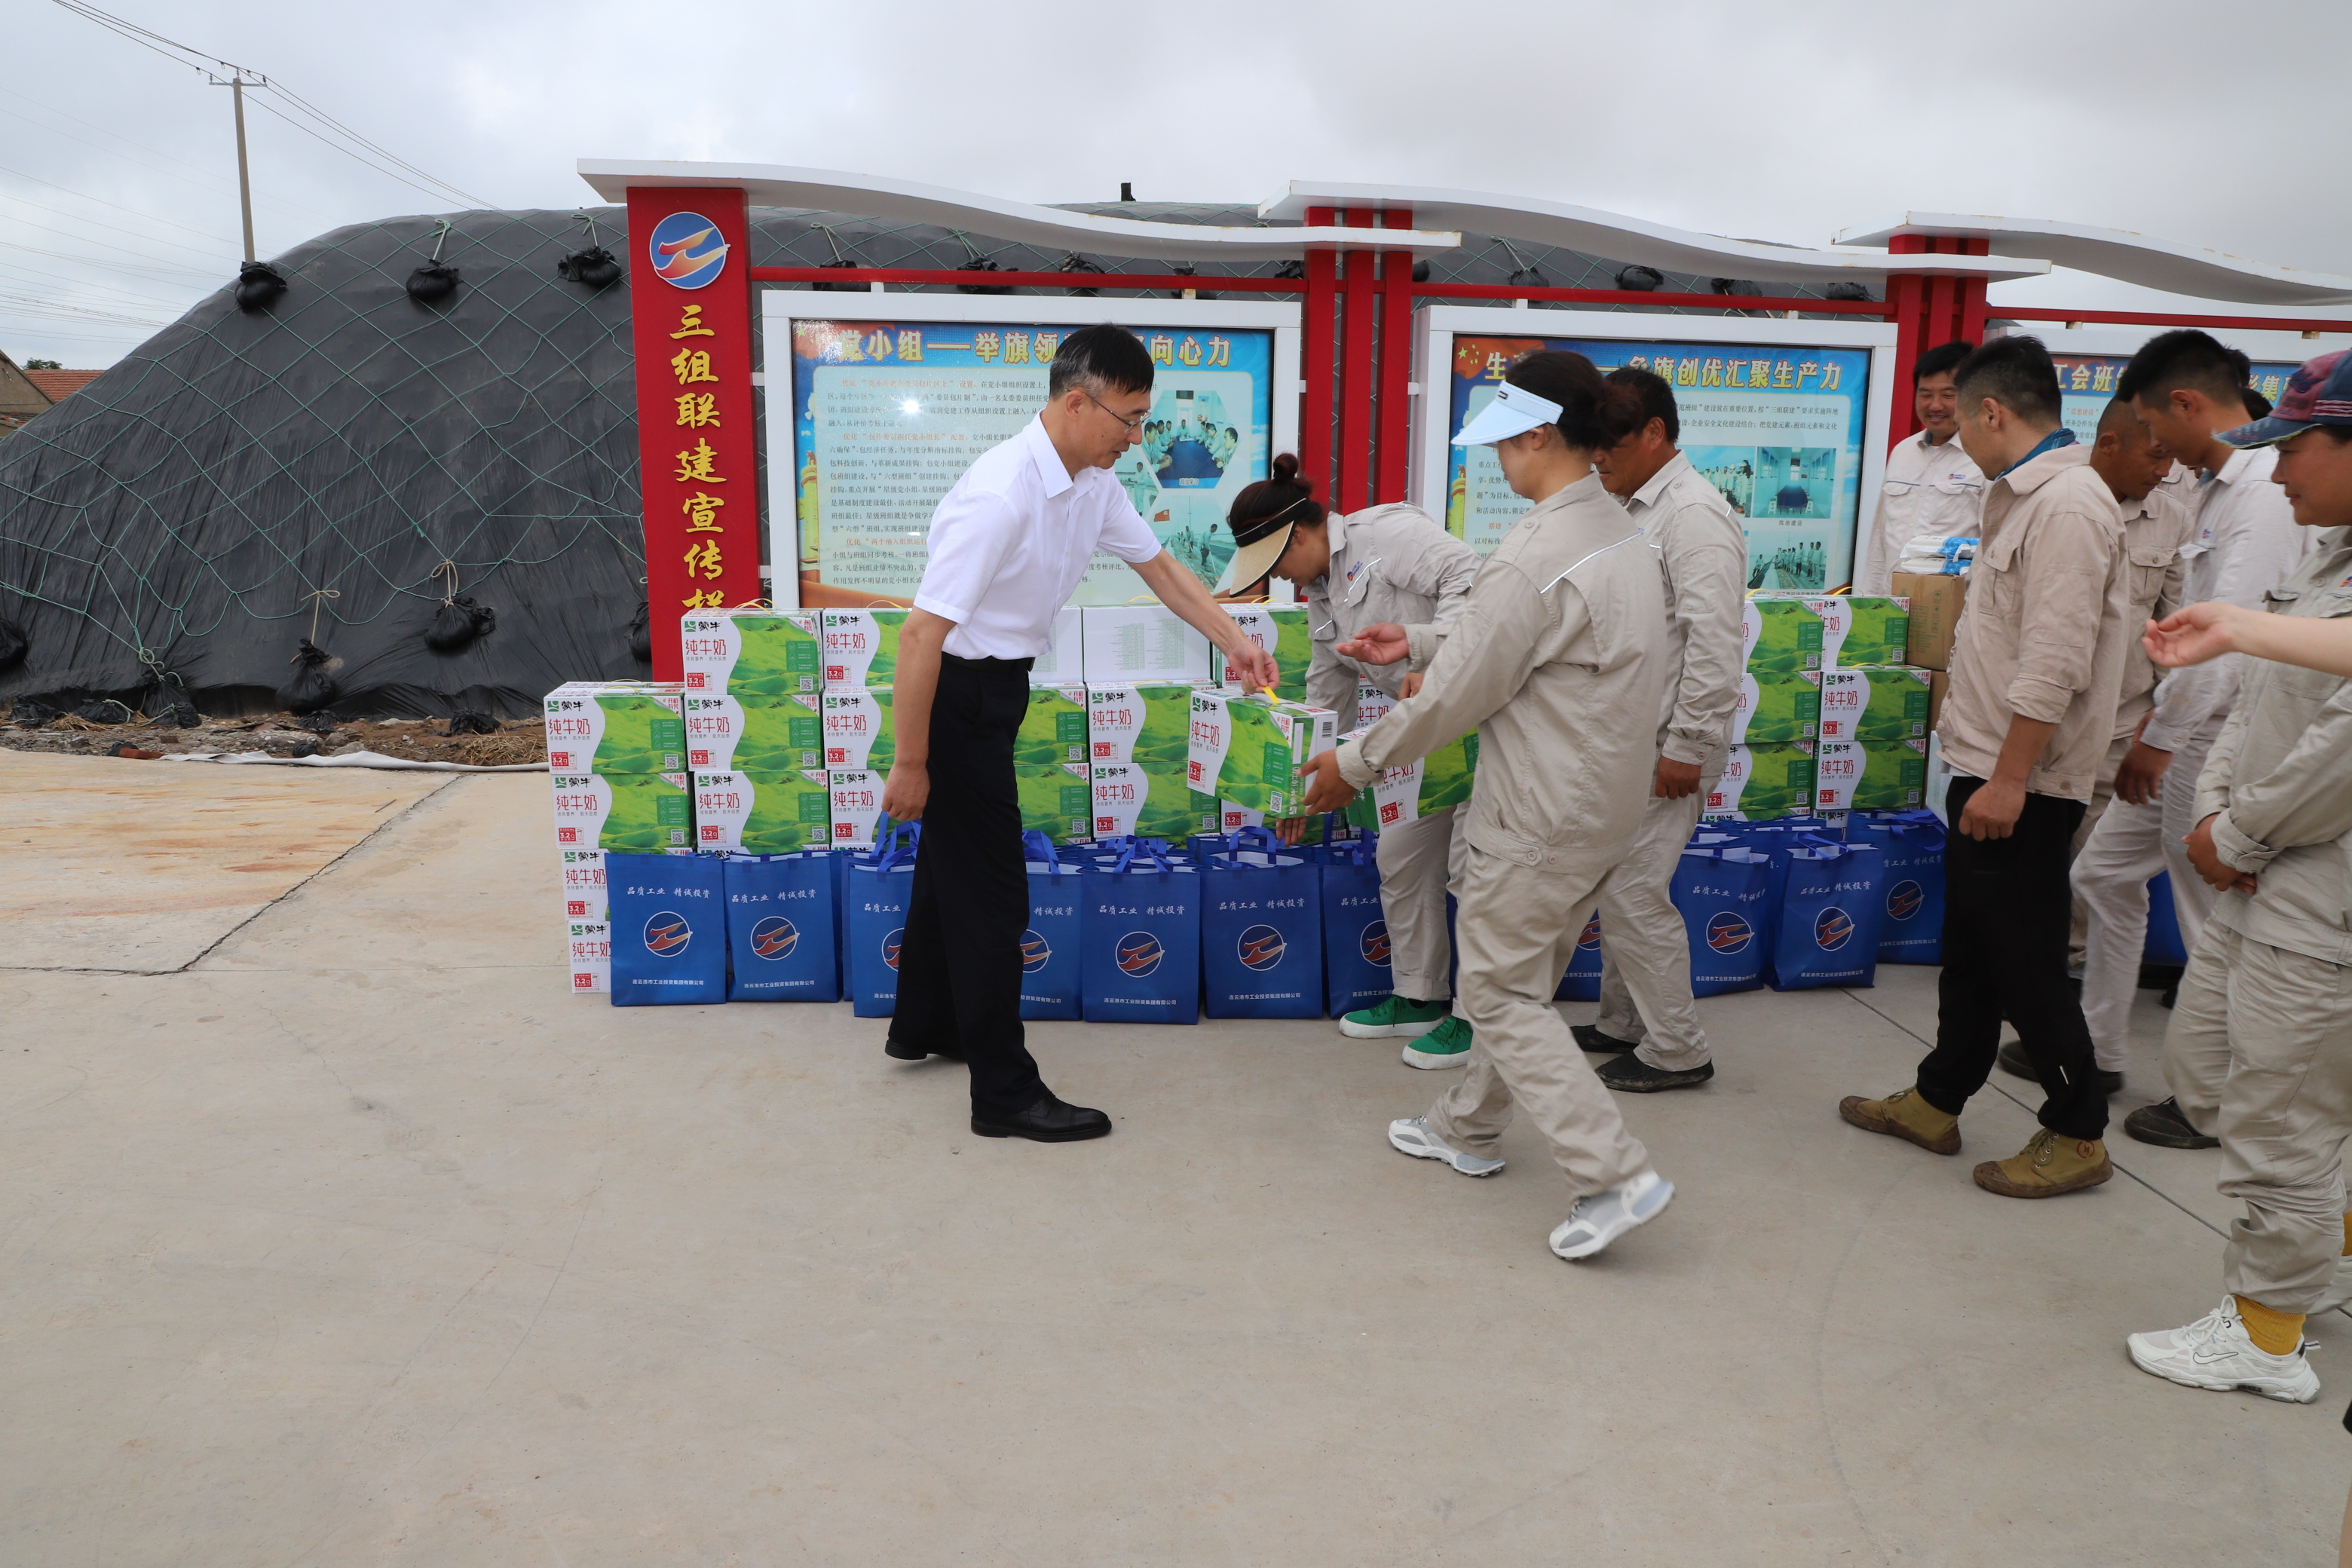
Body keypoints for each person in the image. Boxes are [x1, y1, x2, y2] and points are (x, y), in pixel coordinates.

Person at [1295, 351, 1679, 1263]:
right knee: (1523, 980)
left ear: (1538, 435)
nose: (1497, 461)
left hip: (1540, 806)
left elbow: (1458, 695)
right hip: (1602, 801)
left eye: (1502, 444)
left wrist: (1353, 761)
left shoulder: (1536, 551)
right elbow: (1525, 642)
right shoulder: (1618, 533)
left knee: (1500, 991)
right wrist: (1419, 636)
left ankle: (1613, 1173)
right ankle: (1465, 1125)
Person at [879, 324, 1276, 1141]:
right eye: (1129, 419)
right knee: (995, 897)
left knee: (952, 871)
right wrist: (911, 762)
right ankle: (1003, 1093)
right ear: (1074, 402)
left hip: (1000, 690)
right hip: (955, 697)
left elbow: (1162, 569)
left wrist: (1236, 641)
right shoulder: (1001, 495)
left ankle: (928, 1023)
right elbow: (920, 636)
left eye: (1144, 420)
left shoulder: (1092, 482)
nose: (1137, 438)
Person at [1838, 335, 2132, 1198]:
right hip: (1986, 762)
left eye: (1962, 418)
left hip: (2024, 779)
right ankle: (1939, 1098)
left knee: (2025, 959)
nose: (1956, 436)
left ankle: (2078, 1130)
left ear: (1992, 412)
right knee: (1970, 949)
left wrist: (2008, 781)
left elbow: (2054, 662)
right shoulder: (2021, 495)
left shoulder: (2067, 506)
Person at [2122, 347, 2352, 1405]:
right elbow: (2257, 698)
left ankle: (2267, 1336)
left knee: (2284, 1120)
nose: (2281, 468)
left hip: (2316, 896)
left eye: (2298, 448)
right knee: (2217, 1071)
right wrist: (2216, 815)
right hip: (2266, 874)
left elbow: (2338, 757)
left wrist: (2242, 836)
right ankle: (2324, 1251)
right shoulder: (2326, 558)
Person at [2096, 333, 2314, 1151]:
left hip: (2215, 735)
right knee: (2102, 872)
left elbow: (2229, 642)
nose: (2154, 447)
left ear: (2186, 403)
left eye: (2155, 426)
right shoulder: (2215, 488)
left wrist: (2161, 738)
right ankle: (2098, 1047)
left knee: (2208, 915)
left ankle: (2208, 1098)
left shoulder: (2262, 493)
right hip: (2183, 725)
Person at [1220, 455, 1484, 1067]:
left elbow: (1474, 579)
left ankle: (1479, 1020)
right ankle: (1419, 995)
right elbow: (1328, 689)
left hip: (1483, 718)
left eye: (1276, 563)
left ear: (1300, 536)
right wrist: (1300, 790)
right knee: (1401, 855)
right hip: (1421, 735)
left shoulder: (1387, 534)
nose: (1279, 578)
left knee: (1475, 871)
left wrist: (1434, 659)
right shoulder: (1320, 591)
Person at [1994, 397, 2190, 1093]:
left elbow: (2182, 625)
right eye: (2155, 454)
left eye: (2173, 455)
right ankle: (2064, 1029)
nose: (2165, 470)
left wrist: (2162, 724)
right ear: (2109, 443)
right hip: (2040, 727)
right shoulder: (2055, 499)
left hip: (2124, 729)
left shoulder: (2173, 513)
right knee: (2054, 879)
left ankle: (2076, 1038)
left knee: (2091, 881)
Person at [1572, 366, 1748, 1092]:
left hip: (1667, 748)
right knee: (1618, 883)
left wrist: (1689, 746)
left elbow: (1715, 642)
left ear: (1655, 433)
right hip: (1628, 743)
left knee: (1634, 892)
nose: (1597, 458)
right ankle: (1622, 1022)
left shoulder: (1693, 515)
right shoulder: (1630, 506)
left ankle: (1678, 1048)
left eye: (1610, 444)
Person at [1859, 341, 1985, 594]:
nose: (1935, 405)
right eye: (1926, 394)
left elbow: (1990, 549)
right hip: (1892, 601)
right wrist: (1870, 599)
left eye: (1948, 395)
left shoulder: (1984, 457)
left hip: (1948, 604)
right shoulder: (1903, 452)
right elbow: (1880, 541)